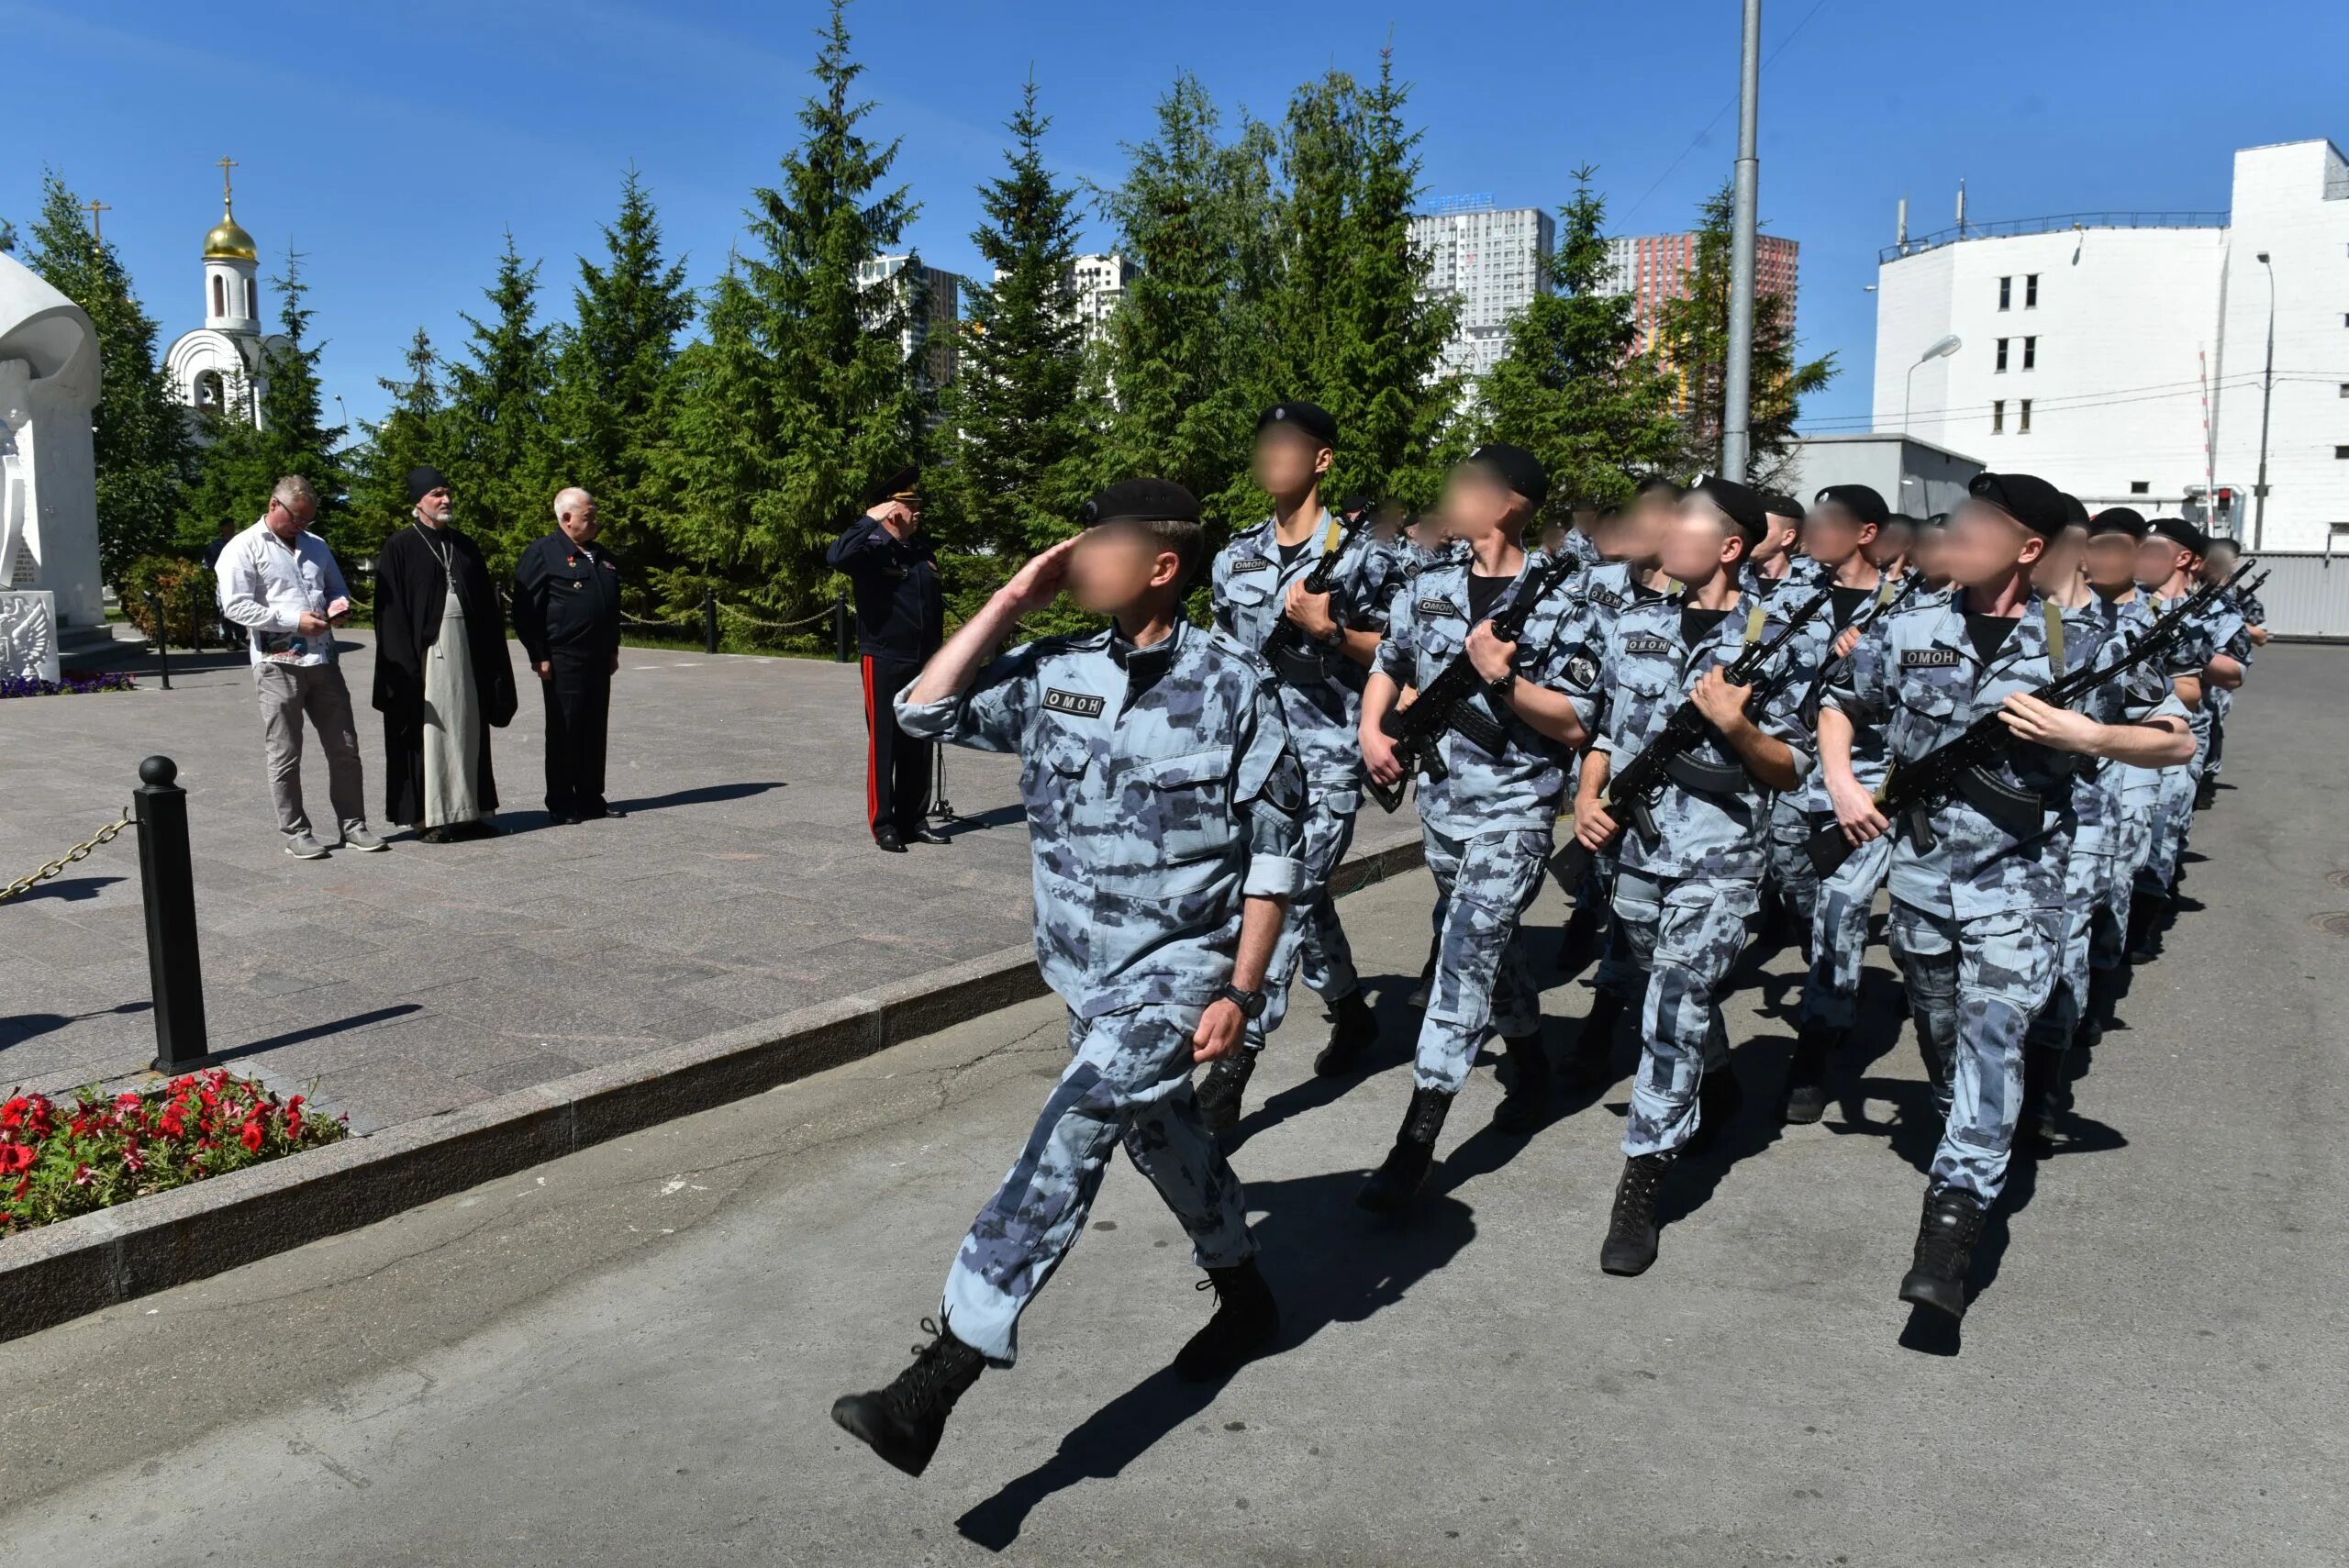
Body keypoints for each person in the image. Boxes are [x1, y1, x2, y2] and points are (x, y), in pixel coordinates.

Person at [829, 480, 1303, 1478]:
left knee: (1077, 1122)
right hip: (1084, 972)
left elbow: (1274, 852)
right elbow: (921, 711)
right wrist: (1009, 600)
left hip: (1181, 970)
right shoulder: (1056, 669)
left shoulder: (1233, 683)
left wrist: (1242, 989)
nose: (1077, 555)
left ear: (1162, 566)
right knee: (1158, 1132)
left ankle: (940, 1374)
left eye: (1099, 543)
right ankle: (1249, 1292)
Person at [1817, 472, 2191, 1318]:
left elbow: (2176, 737)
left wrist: (2090, 734)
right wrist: (1843, 781)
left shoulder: (2081, 643)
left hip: (2024, 884)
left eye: (1983, 522)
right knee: (1942, 1031)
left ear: (2027, 547)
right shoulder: (1906, 625)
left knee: (1992, 1036)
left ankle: (1949, 1229)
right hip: (1917, 878)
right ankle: (1972, 1120)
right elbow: (1839, 705)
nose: (1961, 529)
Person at [1562, 477, 1812, 1274]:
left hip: (1719, 860)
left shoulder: (1773, 637)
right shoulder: (1631, 620)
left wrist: (1737, 724)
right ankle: (1720, 1077)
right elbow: (1602, 727)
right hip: (1636, 848)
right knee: (1655, 982)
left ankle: (1642, 1180)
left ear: (1731, 546)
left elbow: (1791, 767)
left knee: (1671, 999)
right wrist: (1588, 796)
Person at [1357, 443, 1590, 1210]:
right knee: (1489, 940)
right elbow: (1387, 660)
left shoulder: (1564, 598)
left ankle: (1414, 1143)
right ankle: (1529, 1061)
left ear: (1510, 502)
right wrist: (1373, 728)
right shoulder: (1426, 584)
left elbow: (1576, 717)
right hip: (1444, 803)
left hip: (1517, 808)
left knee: (1461, 955)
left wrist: (1502, 677)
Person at [1197, 404, 1386, 1127]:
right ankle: (1349, 1009)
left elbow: (1402, 655)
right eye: (1265, 442)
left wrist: (1331, 631)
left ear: (1322, 460)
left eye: (1290, 446)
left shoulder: (1364, 552)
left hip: (1327, 757)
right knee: (1305, 897)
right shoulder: (1234, 556)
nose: (1273, 455)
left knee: (1288, 897)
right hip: (1252, 762)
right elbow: (1219, 653)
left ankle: (1235, 1065)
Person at [1776, 484, 1908, 1121]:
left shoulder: (1904, 605)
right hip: (1790, 772)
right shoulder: (1783, 598)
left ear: (1865, 533)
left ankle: (1817, 1043)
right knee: (1795, 887)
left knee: (1840, 905)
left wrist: (1868, 662)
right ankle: (1833, 980)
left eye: (1832, 521)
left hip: (1867, 778)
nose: (1816, 530)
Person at [215, 476, 384, 859]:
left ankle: (353, 825)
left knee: (345, 748)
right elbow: (235, 606)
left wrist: (339, 607)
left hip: (323, 659)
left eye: (308, 521)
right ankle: (296, 831)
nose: (301, 526)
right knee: (285, 752)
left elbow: (337, 589)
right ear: (275, 504)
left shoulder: (316, 546)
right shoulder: (242, 547)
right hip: (278, 664)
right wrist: (294, 622)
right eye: (297, 518)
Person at [371, 466, 518, 842]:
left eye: (448, 492)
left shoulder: (465, 546)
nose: (446, 499)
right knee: (431, 736)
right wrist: (405, 668)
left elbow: (486, 609)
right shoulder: (399, 547)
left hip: (467, 654)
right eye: (437, 493)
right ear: (418, 500)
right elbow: (389, 616)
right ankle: (431, 818)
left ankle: (470, 812)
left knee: (468, 731)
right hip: (425, 660)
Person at [2131, 518, 2242, 959]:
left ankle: (2143, 925)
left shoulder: (2213, 609)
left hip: (2182, 732)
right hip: (2122, 732)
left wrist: (2187, 650)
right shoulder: (2123, 603)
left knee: (2162, 830)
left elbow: (2233, 673)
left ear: (2183, 558)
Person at [829, 465, 947, 852]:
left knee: (919, 736)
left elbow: (933, 607)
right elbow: (837, 556)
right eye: (912, 507)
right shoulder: (869, 549)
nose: (920, 513)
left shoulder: (922, 551)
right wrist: (868, 520)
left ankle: (914, 818)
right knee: (886, 741)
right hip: (882, 656)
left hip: (922, 660)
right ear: (892, 510)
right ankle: (884, 825)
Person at [513, 487, 625, 825]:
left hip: (597, 656)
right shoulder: (544, 552)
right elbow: (525, 607)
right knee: (565, 729)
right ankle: (561, 802)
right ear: (566, 519)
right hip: (563, 656)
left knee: (594, 728)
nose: (596, 523)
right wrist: (538, 653)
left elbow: (610, 604)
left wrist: (612, 647)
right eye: (589, 517)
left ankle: (591, 797)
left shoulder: (601, 555)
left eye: (595, 516)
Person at [2195, 536, 2257, 809]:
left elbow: (2260, 634)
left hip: (2213, 679)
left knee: (2213, 725)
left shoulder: (2234, 596)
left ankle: (2206, 779)